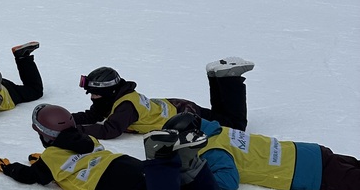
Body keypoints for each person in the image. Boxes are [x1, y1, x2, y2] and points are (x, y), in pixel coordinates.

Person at [0, 104, 224, 190]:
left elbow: (31, 176)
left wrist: (7, 168)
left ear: (43, 135)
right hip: (130, 166)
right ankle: (187, 164)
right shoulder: (89, 140)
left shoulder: (50, 159)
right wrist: (44, 162)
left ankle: (160, 157)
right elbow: (70, 155)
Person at [161, 112, 360, 190]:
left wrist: (191, 175)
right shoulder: (218, 130)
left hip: (305, 171)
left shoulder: (213, 150)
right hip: (309, 152)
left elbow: (230, 180)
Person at [72, 58, 254, 141]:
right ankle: (217, 75)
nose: (92, 98)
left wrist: (74, 130)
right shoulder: (117, 96)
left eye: (95, 94)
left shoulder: (125, 106)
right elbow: (93, 115)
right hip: (178, 107)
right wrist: (65, 119)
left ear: (109, 91)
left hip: (184, 116)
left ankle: (230, 77)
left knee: (235, 126)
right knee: (219, 115)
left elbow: (110, 130)